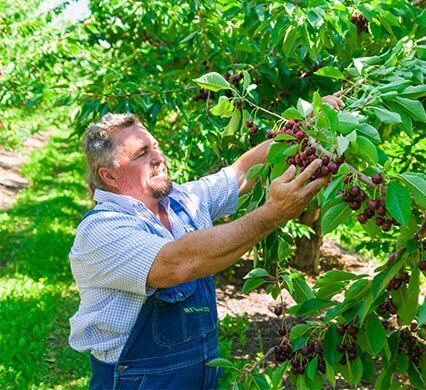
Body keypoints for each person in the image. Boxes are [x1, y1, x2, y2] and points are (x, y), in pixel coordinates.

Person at [69, 95, 343, 389]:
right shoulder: (101, 230)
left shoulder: (182, 202)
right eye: (142, 154)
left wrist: (305, 126)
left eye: (156, 147)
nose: (159, 158)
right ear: (109, 175)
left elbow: (240, 172)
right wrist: (272, 214)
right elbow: (177, 262)